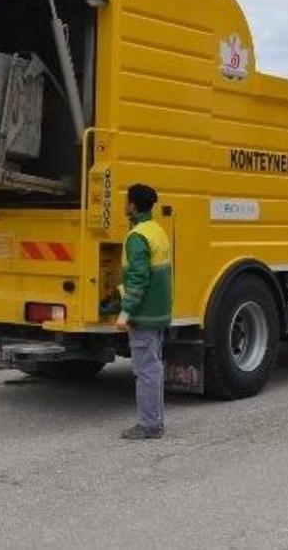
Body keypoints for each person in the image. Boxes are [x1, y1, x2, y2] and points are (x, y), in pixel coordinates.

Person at [115, 184, 172, 440]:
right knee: (154, 367)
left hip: (145, 314)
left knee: (146, 370)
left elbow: (138, 278)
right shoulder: (157, 230)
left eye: (127, 201)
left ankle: (149, 426)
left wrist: (125, 312)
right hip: (159, 312)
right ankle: (155, 422)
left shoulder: (137, 236)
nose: (125, 205)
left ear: (133, 205)